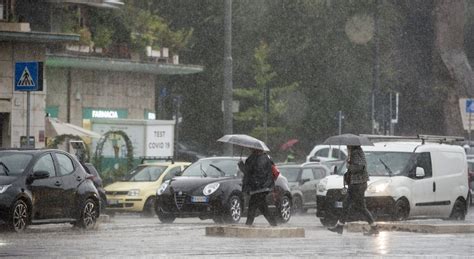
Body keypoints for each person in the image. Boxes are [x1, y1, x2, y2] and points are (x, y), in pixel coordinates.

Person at [328, 145, 379, 235]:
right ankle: (340, 226)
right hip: (356, 184)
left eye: (348, 145)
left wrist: (349, 165)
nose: (347, 147)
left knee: (361, 207)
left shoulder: (356, 153)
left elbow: (360, 167)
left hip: (358, 184)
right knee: (346, 204)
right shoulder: (355, 153)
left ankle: (374, 227)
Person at [238, 148, 278, 226]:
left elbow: (248, 172)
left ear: (255, 149)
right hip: (264, 187)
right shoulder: (267, 158)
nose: (250, 150)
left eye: (251, 149)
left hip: (257, 188)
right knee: (263, 208)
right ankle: (273, 224)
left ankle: (248, 225)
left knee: (253, 207)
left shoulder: (254, 159)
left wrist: (241, 165)